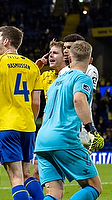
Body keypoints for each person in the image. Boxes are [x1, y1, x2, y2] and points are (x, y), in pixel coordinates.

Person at [0, 26, 44, 200]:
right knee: (26, 174)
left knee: (15, 178)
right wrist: (30, 120)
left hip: (7, 126)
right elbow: (36, 102)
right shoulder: (32, 66)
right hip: (28, 126)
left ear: (6, 41)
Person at [35, 40, 104, 200]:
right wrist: (91, 129)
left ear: (70, 59)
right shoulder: (82, 78)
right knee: (94, 186)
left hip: (43, 140)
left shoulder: (55, 83)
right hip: (64, 139)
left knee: (54, 193)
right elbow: (79, 100)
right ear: (91, 60)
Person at [33, 39, 66, 181]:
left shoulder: (71, 75)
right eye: (50, 53)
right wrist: (36, 68)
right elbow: (26, 87)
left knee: (59, 175)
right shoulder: (45, 76)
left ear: (65, 56)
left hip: (65, 129)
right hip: (47, 129)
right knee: (37, 173)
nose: (51, 56)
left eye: (55, 53)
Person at [63, 33, 99, 150]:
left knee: (82, 164)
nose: (65, 50)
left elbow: (83, 98)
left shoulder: (90, 70)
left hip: (81, 127)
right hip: (64, 126)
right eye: (64, 47)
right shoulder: (62, 71)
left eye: (69, 47)